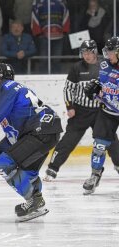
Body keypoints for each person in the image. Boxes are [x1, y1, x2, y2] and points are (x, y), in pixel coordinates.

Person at [0, 63, 63, 222]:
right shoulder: (16, 91)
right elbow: (15, 135)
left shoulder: (3, 88)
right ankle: (36, 201)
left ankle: (34, 201)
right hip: (49, 131)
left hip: (38, 132)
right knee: (28, 171)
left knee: (4, 164)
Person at [43, 40, 119, 182]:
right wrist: (69, 107)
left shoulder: (105, 64)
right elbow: (68, 88)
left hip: (100, 111)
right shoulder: (77, 68)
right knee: (68, 141)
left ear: (95, 51)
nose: (87, 55)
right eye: (84, 53)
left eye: (89, 52)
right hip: (80, 112)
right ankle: (52, 168)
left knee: (111, 140)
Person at [82, 36, 119, 195]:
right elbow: (101, 82)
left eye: (111, 52)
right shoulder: (104, 65)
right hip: (107, 112)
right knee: (99, 145)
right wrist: (94, 88)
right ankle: (95, 174)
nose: (108, 55)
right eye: (107, 51)